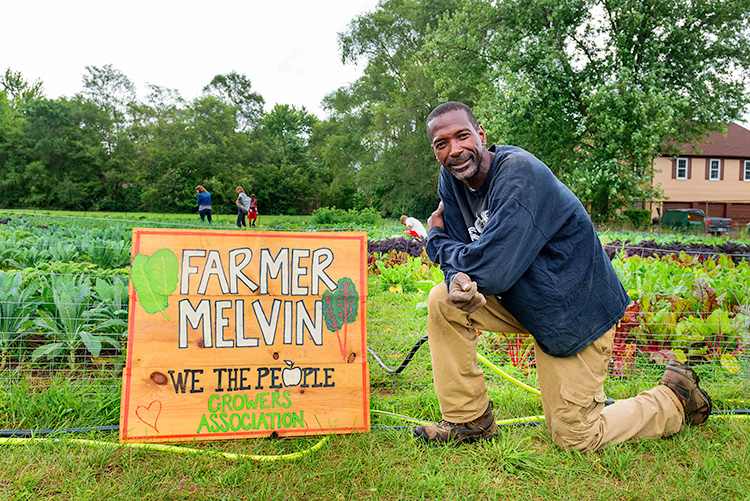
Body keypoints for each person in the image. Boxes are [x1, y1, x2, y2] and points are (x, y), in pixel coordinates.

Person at [414, 101, 712, 451]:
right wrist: (453, 275)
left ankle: (674, 399)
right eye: (442, 144)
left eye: (462, 136)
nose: (454, 150)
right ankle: (469, 420)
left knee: (577, 437)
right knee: (444, 300)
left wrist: (434, 239)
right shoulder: (452, 180)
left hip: (573, 312)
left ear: (481, 135)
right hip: (522, 298)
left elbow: (486, 271)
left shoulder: (519, 177)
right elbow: (461, 255)